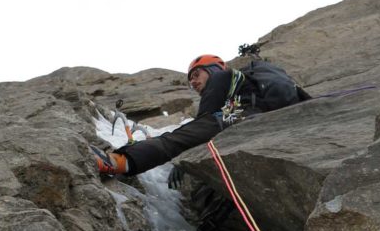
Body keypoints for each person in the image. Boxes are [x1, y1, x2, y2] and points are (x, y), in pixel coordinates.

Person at [94, 54, 309, 179]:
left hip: (250, 118)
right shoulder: (245, 88)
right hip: (270, 121)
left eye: (197, 75)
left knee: (174, 139)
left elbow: (204, 124)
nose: (193, 83)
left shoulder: (224, 77)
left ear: (216, 68)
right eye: (190, 80)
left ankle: (116, 162)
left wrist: (181, 154)